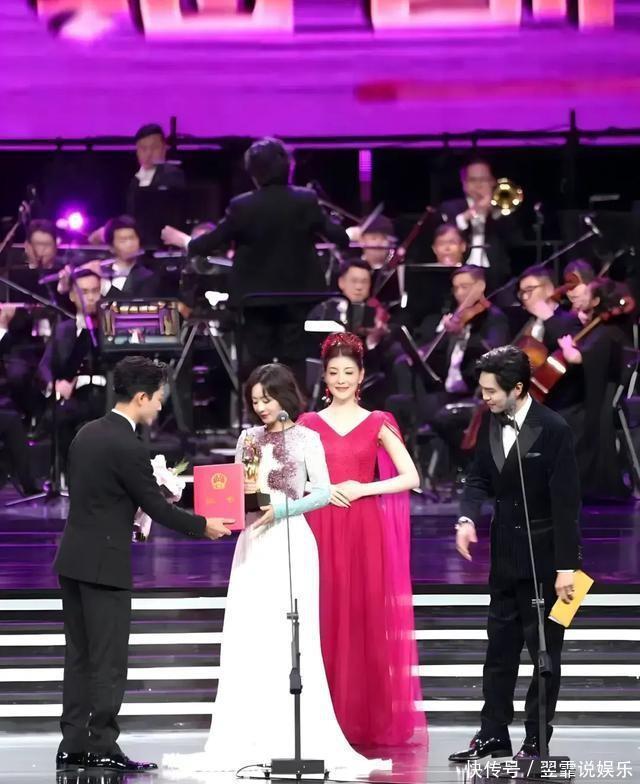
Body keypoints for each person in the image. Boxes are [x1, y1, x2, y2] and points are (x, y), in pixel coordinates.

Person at [163, 362, 387, 776]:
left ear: (285, 397)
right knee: (250, 634)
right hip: (253, 540)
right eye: (255, 401)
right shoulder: (248, 438)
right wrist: (223, 509)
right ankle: (248, 733)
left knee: (290, 636)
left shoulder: (307, 439)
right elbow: (235, 488)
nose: (261, 408)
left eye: (266, 399)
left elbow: (323, 493)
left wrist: (282, 509)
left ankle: (292, 733)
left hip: (291, 539)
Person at [55, 355, 233, 774]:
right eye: (157, 399)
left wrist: (129, 517)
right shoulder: (128, 446)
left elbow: (100, 497)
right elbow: (156, 506)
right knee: (108, 659)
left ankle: (73, 744)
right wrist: (203, 526)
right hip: (105, 565)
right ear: (140, 397)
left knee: (79, 656)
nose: (159, 406)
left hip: (73, 558)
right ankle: (103, 744)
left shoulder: (86, 434)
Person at [449, 346, 581, 763]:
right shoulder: (490, 421)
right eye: (483, 389)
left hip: (547, 563)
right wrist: (466, 519)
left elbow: (567, 504)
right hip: (504, 557)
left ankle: (536, 740)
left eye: (491, 391)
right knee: (499, 654)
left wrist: (567, 567)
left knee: (545, 656)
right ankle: (493, 734)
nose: (484, 397)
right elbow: (477, 479)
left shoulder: (554, 428)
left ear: (518, 388)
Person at [297, 333, 426, 748]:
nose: (341, 379)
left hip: (363, 525)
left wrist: (362, 488)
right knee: (323, 613)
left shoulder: (377, 421)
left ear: (361, 375)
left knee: (363, 615)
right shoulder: (307, 424)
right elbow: (290, 480)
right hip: (320, 522)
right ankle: (324, 717)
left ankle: (362, 719)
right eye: (333, 372)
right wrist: (320, 491)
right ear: (324, 376)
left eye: (348, 372)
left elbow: (411, 476)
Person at [161, 137, 349, 387]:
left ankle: (259, 408)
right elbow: (339, 238)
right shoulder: (305, 199)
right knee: (294, 358)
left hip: (255, 299)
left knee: (258, 360)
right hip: (297, 296)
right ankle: (294, 408)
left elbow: (211, 241)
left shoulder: (242, 205)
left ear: (253, 173)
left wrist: (185, 241)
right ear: (287, 167)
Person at [39, 267, 106, 468]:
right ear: (72, 296)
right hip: (72, 398)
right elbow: (44, 367)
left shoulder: (109, 326)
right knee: (57, 416)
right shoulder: (62, 330)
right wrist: (55, 385)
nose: (91, 297)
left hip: (104, 394)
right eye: (84, 292)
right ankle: (68, 474)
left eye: (95, 291)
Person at [440, 158, 521, 291]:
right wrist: (473, 211)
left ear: (493, 182)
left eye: (483, 180)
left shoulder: (503, 208)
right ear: (464, 184)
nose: (478, 185)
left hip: (496, 276)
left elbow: (515, 240)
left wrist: (496, 213)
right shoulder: (451, 208)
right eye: (473, 180)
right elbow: (446, 234)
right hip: (460, 272)